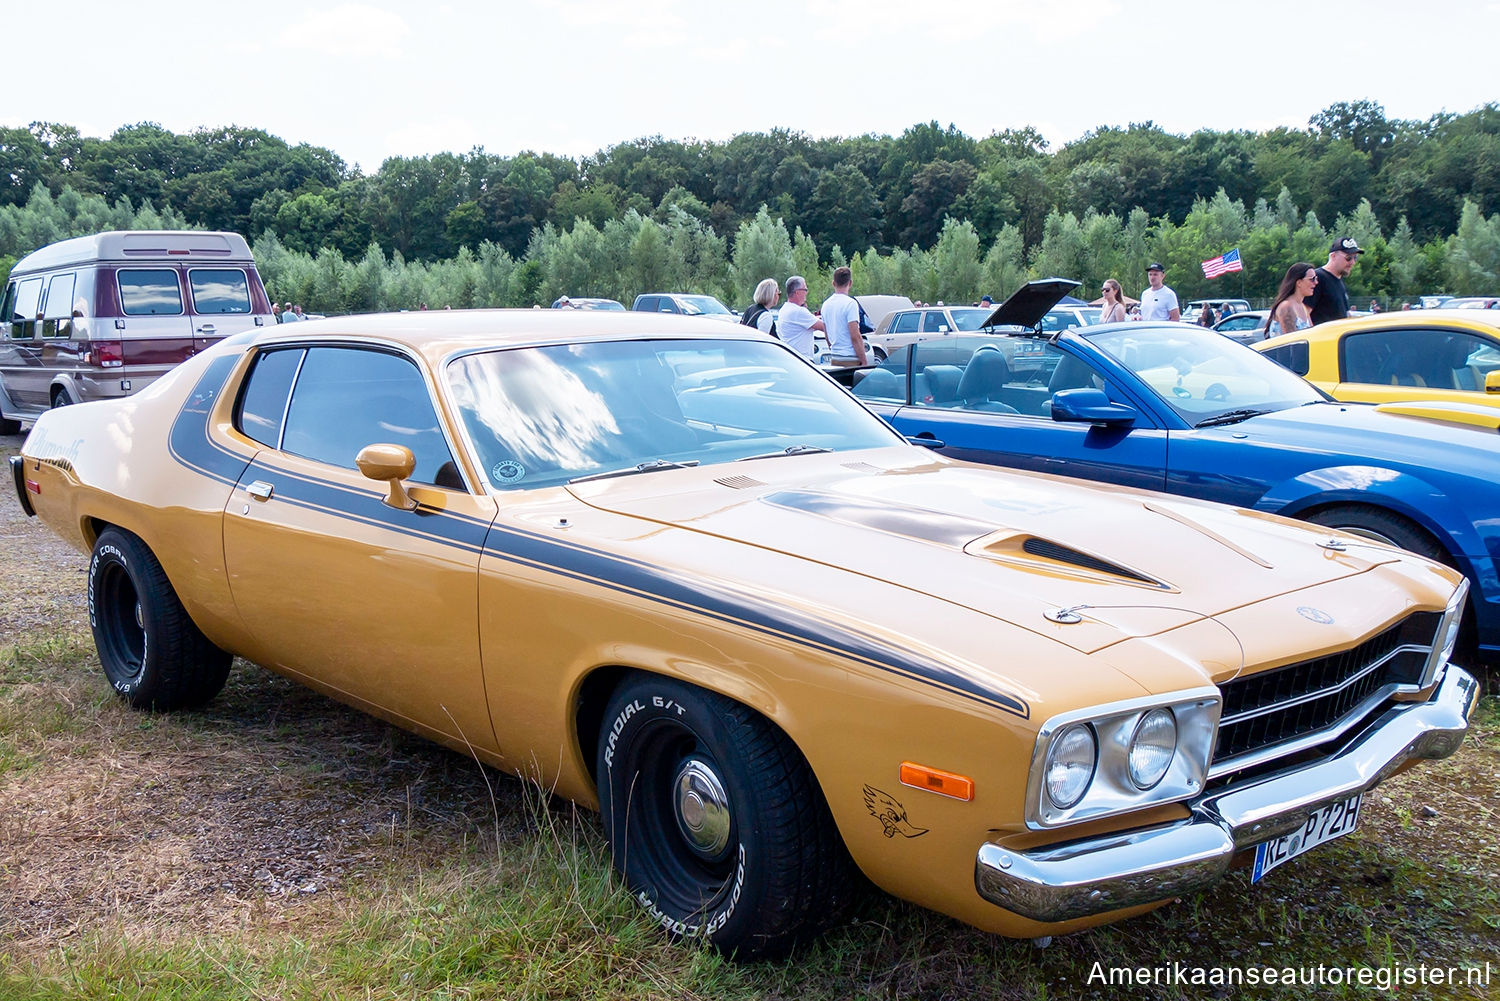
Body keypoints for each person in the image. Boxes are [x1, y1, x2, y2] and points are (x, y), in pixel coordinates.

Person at [1306, 237, 1362, 324]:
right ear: (1333, 256)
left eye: (1355, 258)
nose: (1352, 262)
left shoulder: (1339, 281)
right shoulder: (1317, 278)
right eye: (1348, 258)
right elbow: (1304, 314)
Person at [821, 266, 867, 366]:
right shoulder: (851, 304)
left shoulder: (826, 305)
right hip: (851, 358)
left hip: (835, 357)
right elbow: (855, 336)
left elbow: (827, 334)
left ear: (833, 283)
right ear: (850, 283)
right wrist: (864, 360)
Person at [776, 275, 824, 358]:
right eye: (805, 290)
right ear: (797, 292)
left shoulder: (784, 309)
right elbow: (824, 326)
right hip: (803, 359)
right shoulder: (798, 312)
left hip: (791, 357)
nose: (806, 293)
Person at [1267, 263, 1318, 337]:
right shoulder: (1286, 307)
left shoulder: (1303, 307)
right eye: (1312, 279)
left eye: (1316, 278)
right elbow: (1292, 343)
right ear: (1299, 283)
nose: (1316, 283)